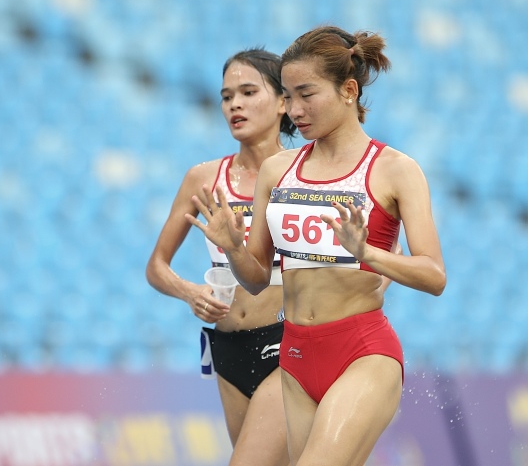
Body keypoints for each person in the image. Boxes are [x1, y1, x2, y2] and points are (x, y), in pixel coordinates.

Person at [186, 26, 446, 466]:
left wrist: (369, 255)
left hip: (362, 352)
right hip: (296, 356)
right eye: (287, 96)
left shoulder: (396, 170)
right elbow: (253, 279)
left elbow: (434, 276)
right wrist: (233, 246)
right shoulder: (277, 170)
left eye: (306, 94)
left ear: (348, 90)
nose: (295, 110)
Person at [146, 48, 296, 466]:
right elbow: (156, 266)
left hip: (288, 345)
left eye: (249, 92)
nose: (235, 104)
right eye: (227, 96)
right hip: (226, 346)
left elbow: (382, 249)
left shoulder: (307, 172)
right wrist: (188, 292)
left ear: (284, 101)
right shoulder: (203, 178)